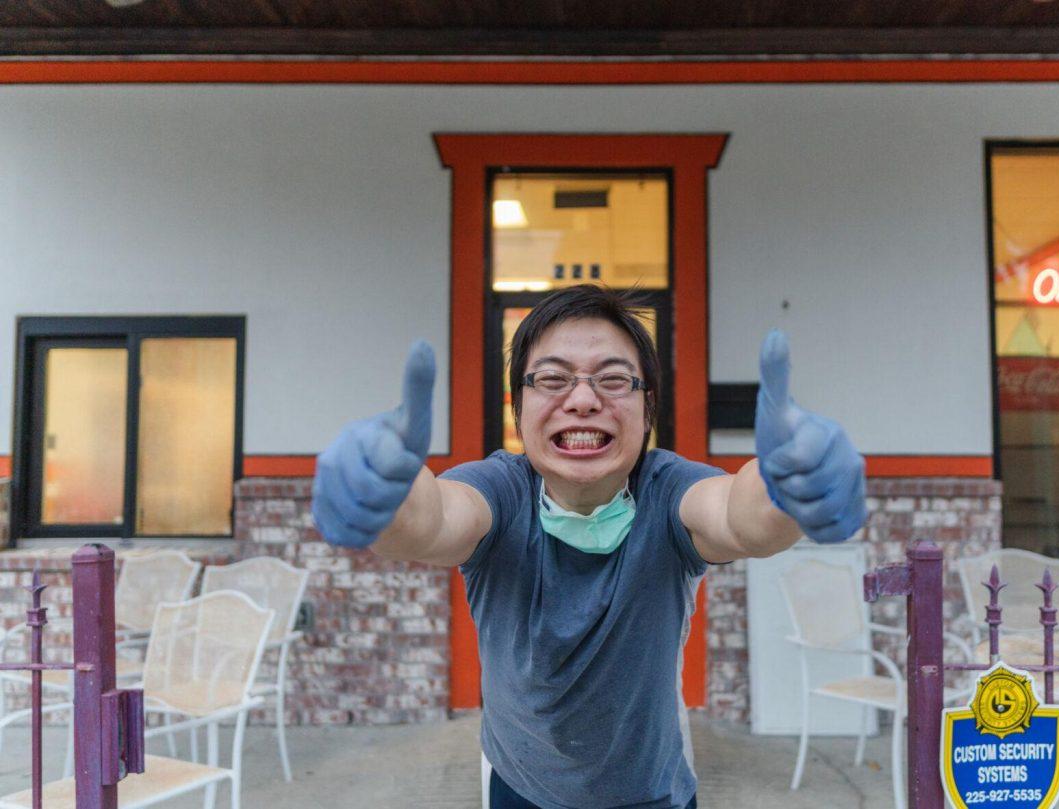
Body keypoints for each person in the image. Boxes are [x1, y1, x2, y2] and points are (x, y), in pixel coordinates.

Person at [312, 285, 866, 809]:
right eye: (552, 379)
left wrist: (786, 487)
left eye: (614, 379)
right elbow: (432, 520)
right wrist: (387, 497)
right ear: (519, 409)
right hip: (518, 788)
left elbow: (736, 514)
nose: (582, 400)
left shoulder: (666, 489)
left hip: (652, 794)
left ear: (648, 409)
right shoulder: (499, 492)